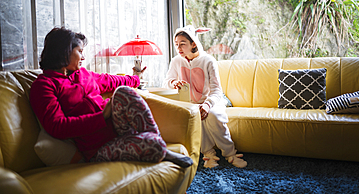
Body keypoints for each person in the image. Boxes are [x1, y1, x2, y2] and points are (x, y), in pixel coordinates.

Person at [30, 27, 193, 168]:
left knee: (123, 91)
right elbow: (57, 126)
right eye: (80, 51)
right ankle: (158, 146)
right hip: (97, 147)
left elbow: (110, 80)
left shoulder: (82, 74)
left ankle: (156, 143)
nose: (83, 57)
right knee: (153, 146)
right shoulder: (44, 85)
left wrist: (135, 78)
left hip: (117, 126)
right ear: (64, 51)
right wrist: (101, 116)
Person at [163, 25, 247, 168]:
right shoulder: (176, 61)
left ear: (193, 43)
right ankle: (209, 155)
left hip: (213, 101)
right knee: (195, 117)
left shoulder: (208, 61)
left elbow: (217, 90)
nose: (179, 48)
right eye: (176, 45)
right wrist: (174, 82)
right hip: (191, 103)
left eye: (183, 44)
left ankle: (230, 154)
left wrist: (207, 105)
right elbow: (166, 82)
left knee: (213, 116)